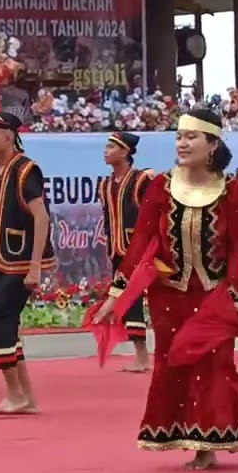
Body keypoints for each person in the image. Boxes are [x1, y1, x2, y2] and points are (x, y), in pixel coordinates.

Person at [93, 108, 238, 470]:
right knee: (172, 364)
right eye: (179, 137)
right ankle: (180, 433)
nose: (183, 143)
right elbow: (140, 242)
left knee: (215, 366)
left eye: (192, 137)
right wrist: (116, 296)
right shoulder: (162, 186)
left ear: (213, 144)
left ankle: (209, 442)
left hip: (215, 295)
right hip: (168, 296)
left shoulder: (232, 191)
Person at [0, 112, 55, 414]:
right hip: (5, 263)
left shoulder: (25, 170)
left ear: (7, 137)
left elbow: (42, 217)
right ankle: (24, 396)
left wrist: (35, 266)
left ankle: (17, 394)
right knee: (5, 322)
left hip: (21, 263)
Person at [95, 132, 154, 373]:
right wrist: (109, 246)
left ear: (125, 152)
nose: (105, 151)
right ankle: (141, 356)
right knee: (130, 301)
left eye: (111, 147)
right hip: (119, 250)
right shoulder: (105, 184)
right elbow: (108, 219)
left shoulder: (142, 180)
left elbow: (153, 216)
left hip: (143, 251)